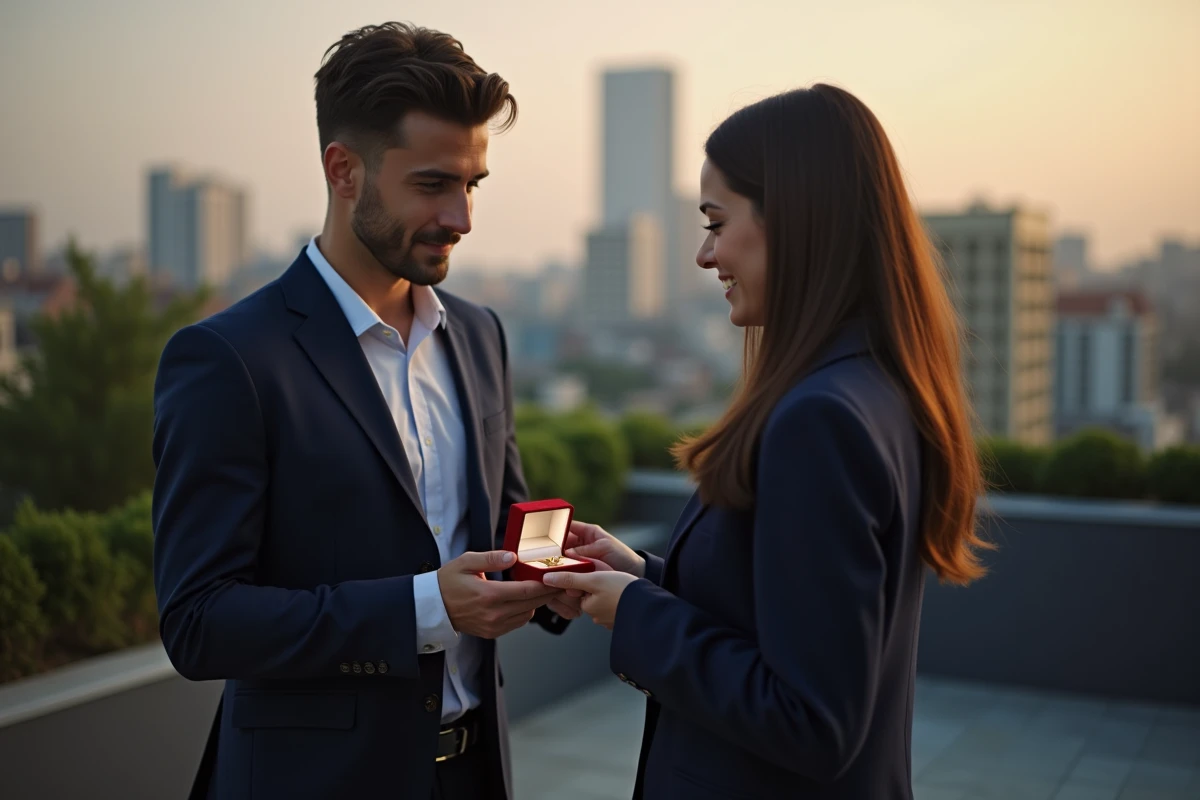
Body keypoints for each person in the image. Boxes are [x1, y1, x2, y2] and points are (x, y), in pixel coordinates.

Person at [151, 22, 578, 800]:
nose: (462, 217)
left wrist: (566, 568)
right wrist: (424, 607)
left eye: (472, 184)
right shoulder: (228, 360)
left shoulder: (479, 334)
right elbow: (199, 621)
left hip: (478, 771)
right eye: (431, 185)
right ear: (343, 171)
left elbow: (503, 521)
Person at [544, 84, 990, 799]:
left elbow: (811, 720)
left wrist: (635, 613)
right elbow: (781, 618)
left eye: (717, 223)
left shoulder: (821, 420)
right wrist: (642, 577)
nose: (703, 254)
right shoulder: (874, 384)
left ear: (797, 222)